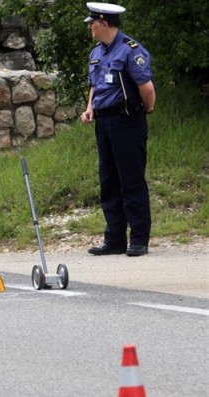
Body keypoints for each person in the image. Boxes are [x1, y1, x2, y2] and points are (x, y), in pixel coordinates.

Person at [80, 2, 156, 257]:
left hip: (127, 120)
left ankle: (138, 238)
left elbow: (147, 88)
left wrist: (146, 110)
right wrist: (90, 107)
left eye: (92, 22)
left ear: (105, 22)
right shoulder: (97, 53)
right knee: (108, 180)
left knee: (130, 179)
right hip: (104, 122)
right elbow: (96, 85)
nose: (89, 27)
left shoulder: (129, 50)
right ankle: (114, 239)